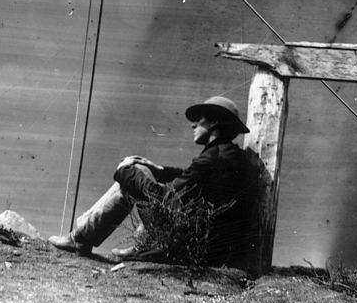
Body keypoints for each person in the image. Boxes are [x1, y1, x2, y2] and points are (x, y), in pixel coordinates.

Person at [48, 95, 256, 266]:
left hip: (194, 248)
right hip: (215, 248)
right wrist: (159, 170)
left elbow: (162, 198)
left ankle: (80, 238)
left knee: (134, 175)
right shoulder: (227, 155)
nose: (193, 124)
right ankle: (134, 244)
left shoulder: (213, 157)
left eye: (199, 119)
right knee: (142, 174)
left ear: (214, 122)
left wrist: (126, 172)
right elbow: (192, 179)